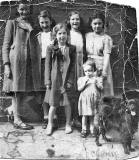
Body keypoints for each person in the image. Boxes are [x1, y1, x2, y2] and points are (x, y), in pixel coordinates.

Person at [2, 0, 41, 130]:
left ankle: (12, 110)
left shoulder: (32, 24)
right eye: (21, 9)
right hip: (16, 63)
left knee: (25, 91)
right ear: (18, 10)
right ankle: (17, 119)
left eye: (26, 9)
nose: (24, 12)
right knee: (16, 91)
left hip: (29, 63)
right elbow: (6, 45)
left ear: (30, 10)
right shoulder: (12, 23)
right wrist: (6, 65)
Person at [44, 23, 76, 135]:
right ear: (55, 35)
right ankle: (50, 124)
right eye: (59, 33)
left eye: (64, 33)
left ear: (67, 35)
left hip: (66, 80)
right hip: (54, 80)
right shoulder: (51, 48)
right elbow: (47, 65)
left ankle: (68, 124)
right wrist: (47, 81)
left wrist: (70, 81)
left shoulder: (72, 48)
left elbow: (73, 67)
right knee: (53, 104)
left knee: (67, 103)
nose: (62, 36)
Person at [66, 10, 87, 128]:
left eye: (77, 19)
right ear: (69, 21)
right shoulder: (67, 34)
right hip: (70, 66)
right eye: (73, 19)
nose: (75, 21)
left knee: (79, 93)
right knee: (71, 93)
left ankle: (77, 118)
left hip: (81, 66)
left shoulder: (81, 34)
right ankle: (69, 120)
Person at [86, 12, 114, 96]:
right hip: (89, 66)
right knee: (91, 91)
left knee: (103, 91)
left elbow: (107, 55)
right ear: (91, 24)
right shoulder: (87, 36)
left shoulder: (106, 38)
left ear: (103, 24)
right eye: (95, 23)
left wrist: (104, 71)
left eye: (99, 23)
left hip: (102, 66)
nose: (97, 26)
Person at [36, 10, 56, 129]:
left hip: (54, 63)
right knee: (44, 91)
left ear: (51, 21)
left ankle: (54, 117)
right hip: (42, 64)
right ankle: (45, 116)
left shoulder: (54, 34)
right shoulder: (38, 36)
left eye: (46, 22)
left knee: (54, 90)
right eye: (42, 22)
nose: (44, 25)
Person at [77, 59, 103, 138]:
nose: (88, 73)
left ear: (94, 70)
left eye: (90, 71)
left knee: (92, 115)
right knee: (84, 115)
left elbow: (101, 88)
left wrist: (97, 84)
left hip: (94, 100)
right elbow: (79, 89)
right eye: (86, 71)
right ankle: (84, 130)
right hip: (85, 100)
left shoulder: (97, 79)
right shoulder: (82, 79)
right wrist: (84, 83)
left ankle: (92, 129)